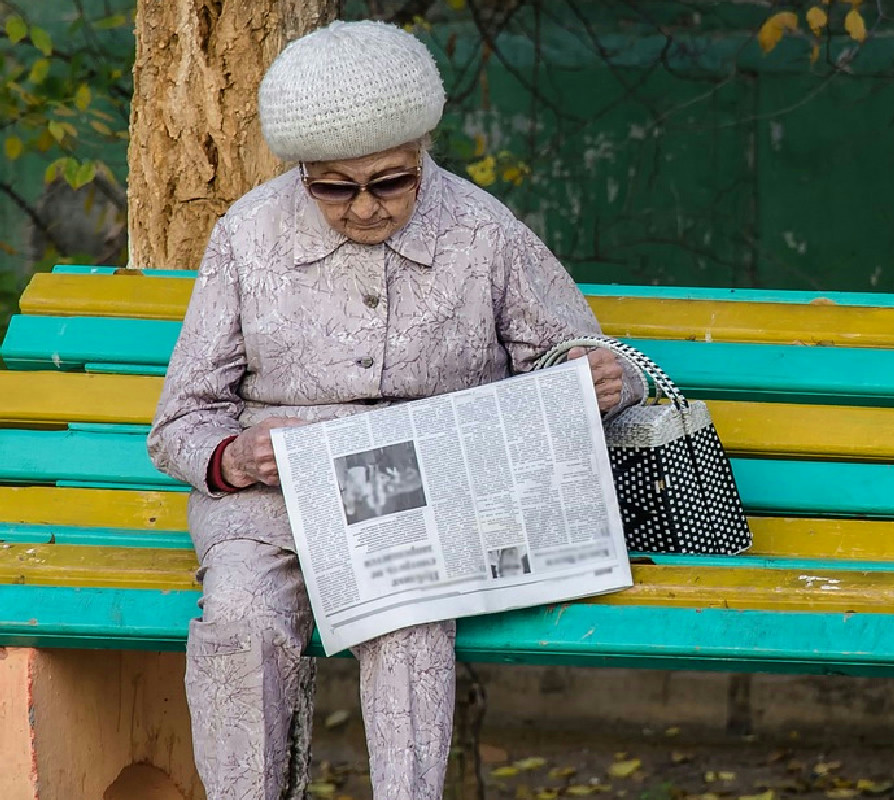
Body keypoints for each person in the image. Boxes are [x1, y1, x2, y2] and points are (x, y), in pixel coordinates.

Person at [147, 19, 643, 800]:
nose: (366, 208)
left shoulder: (480, 229)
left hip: (427, 495)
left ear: (423, 156)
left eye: (392, 181)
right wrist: (234, 458)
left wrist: (596, 378)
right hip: (273, 499)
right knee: (240, 621)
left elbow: (576, 354)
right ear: (301, 172)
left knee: (407, 618)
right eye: (334, 187)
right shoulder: (247, 235)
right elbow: (180, 423)